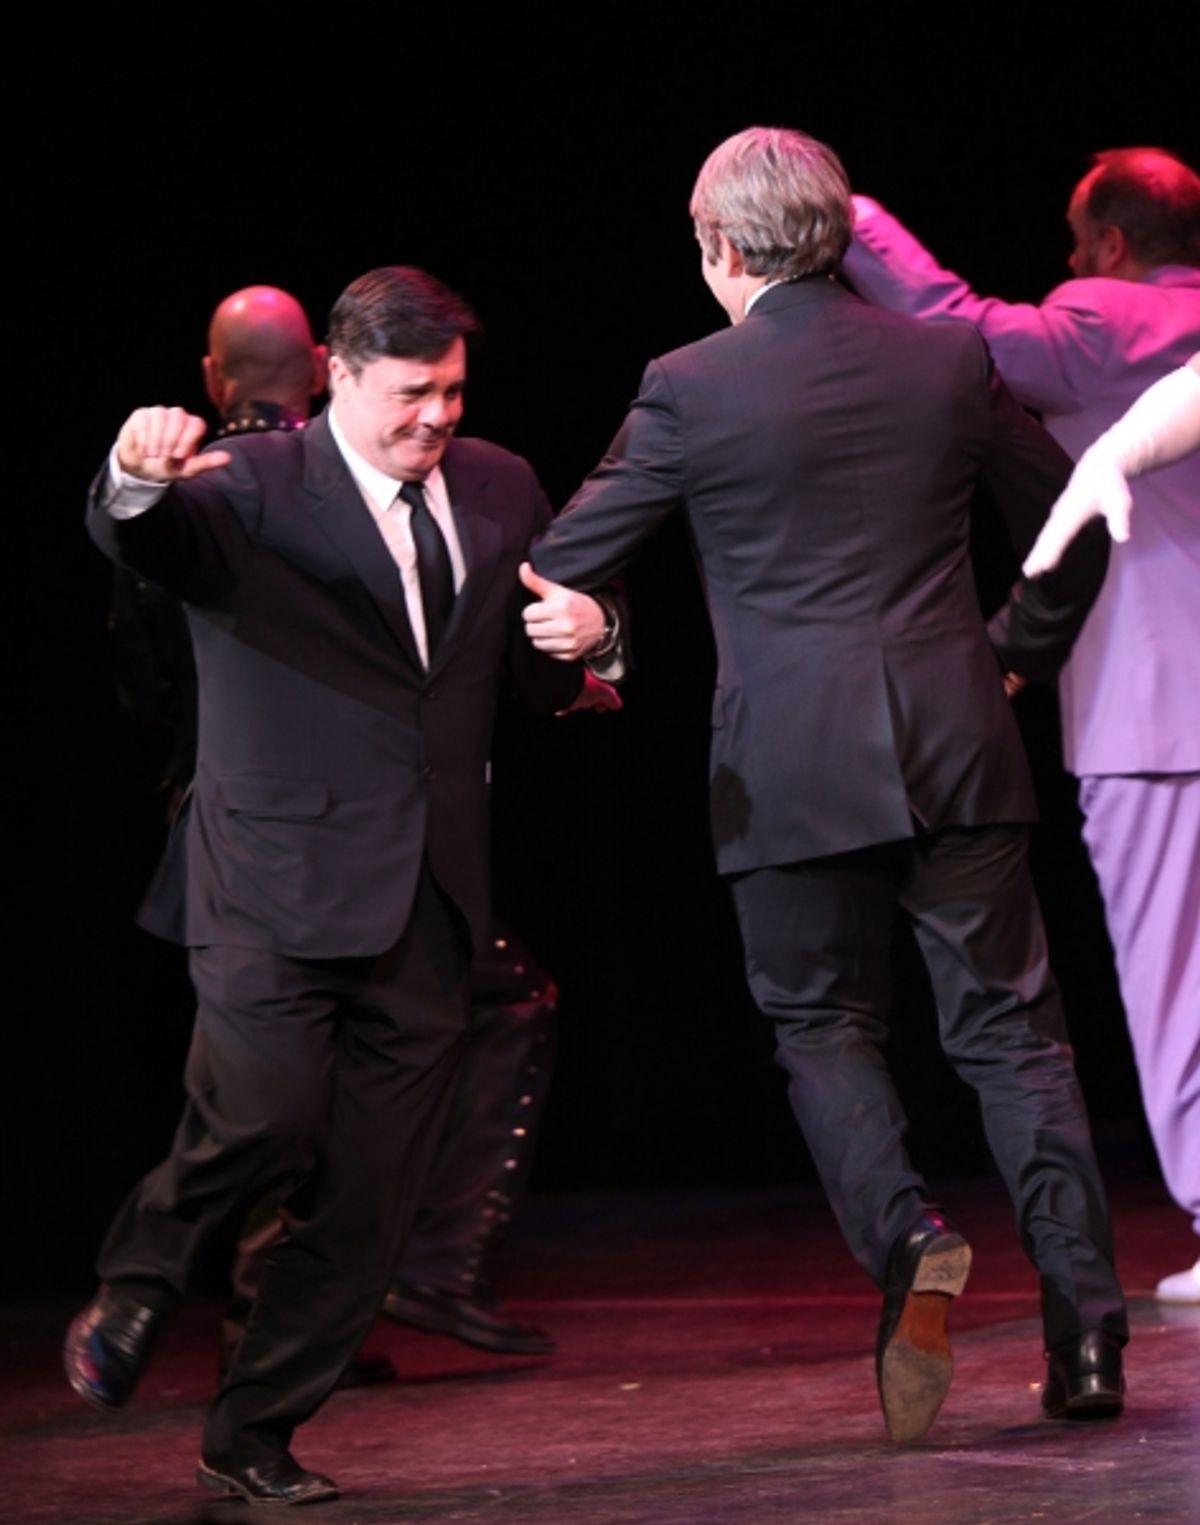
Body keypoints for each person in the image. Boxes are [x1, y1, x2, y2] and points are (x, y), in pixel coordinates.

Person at [527, 126, 1127, 1444]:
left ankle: (909, 1239)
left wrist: (603, 630)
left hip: (787, 764)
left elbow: (567, 556)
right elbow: (1081, 514)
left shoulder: (689, 385)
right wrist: (1008, 661)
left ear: (718, 246)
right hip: (958, 744)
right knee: (1017, 1044)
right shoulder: (947, 355)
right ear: (845, 236)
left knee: (821, 1028)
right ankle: (1086, 1336)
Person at [68, 266, 622, 1506]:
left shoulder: (496, 484)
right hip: (271, 878)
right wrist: (138, 471)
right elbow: (139, 534)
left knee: (368, 1202)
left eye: (455, 392)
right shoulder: (252, 485)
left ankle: (253, 1428)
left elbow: (537, 655)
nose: (437, 417)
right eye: (414, 393)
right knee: (260, 1114)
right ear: (338, 373)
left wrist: (594, 638)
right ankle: (142, 1276)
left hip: (427, 899)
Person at [844, 149, 1200, 1305]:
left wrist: (849, 212)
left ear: (1105, 241)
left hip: (1157, 710)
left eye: (1070, 235)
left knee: (1176, 980)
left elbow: (955, 322)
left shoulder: (1102, 320)